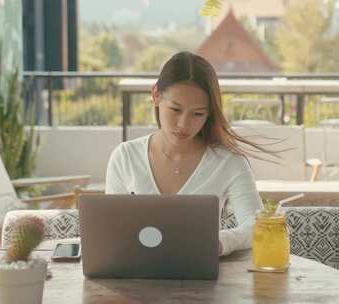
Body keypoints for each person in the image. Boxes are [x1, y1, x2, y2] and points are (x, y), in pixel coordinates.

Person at [105, 51, 276, 256]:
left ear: (209, 114)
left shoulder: (229, 162)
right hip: (135, 277)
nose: (184, 124)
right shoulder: (125, 157)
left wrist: (220, 242)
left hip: (205, 281)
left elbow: (256, 225)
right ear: (156, 95)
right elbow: (111, 230)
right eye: (175, 109)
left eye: (198, 114)